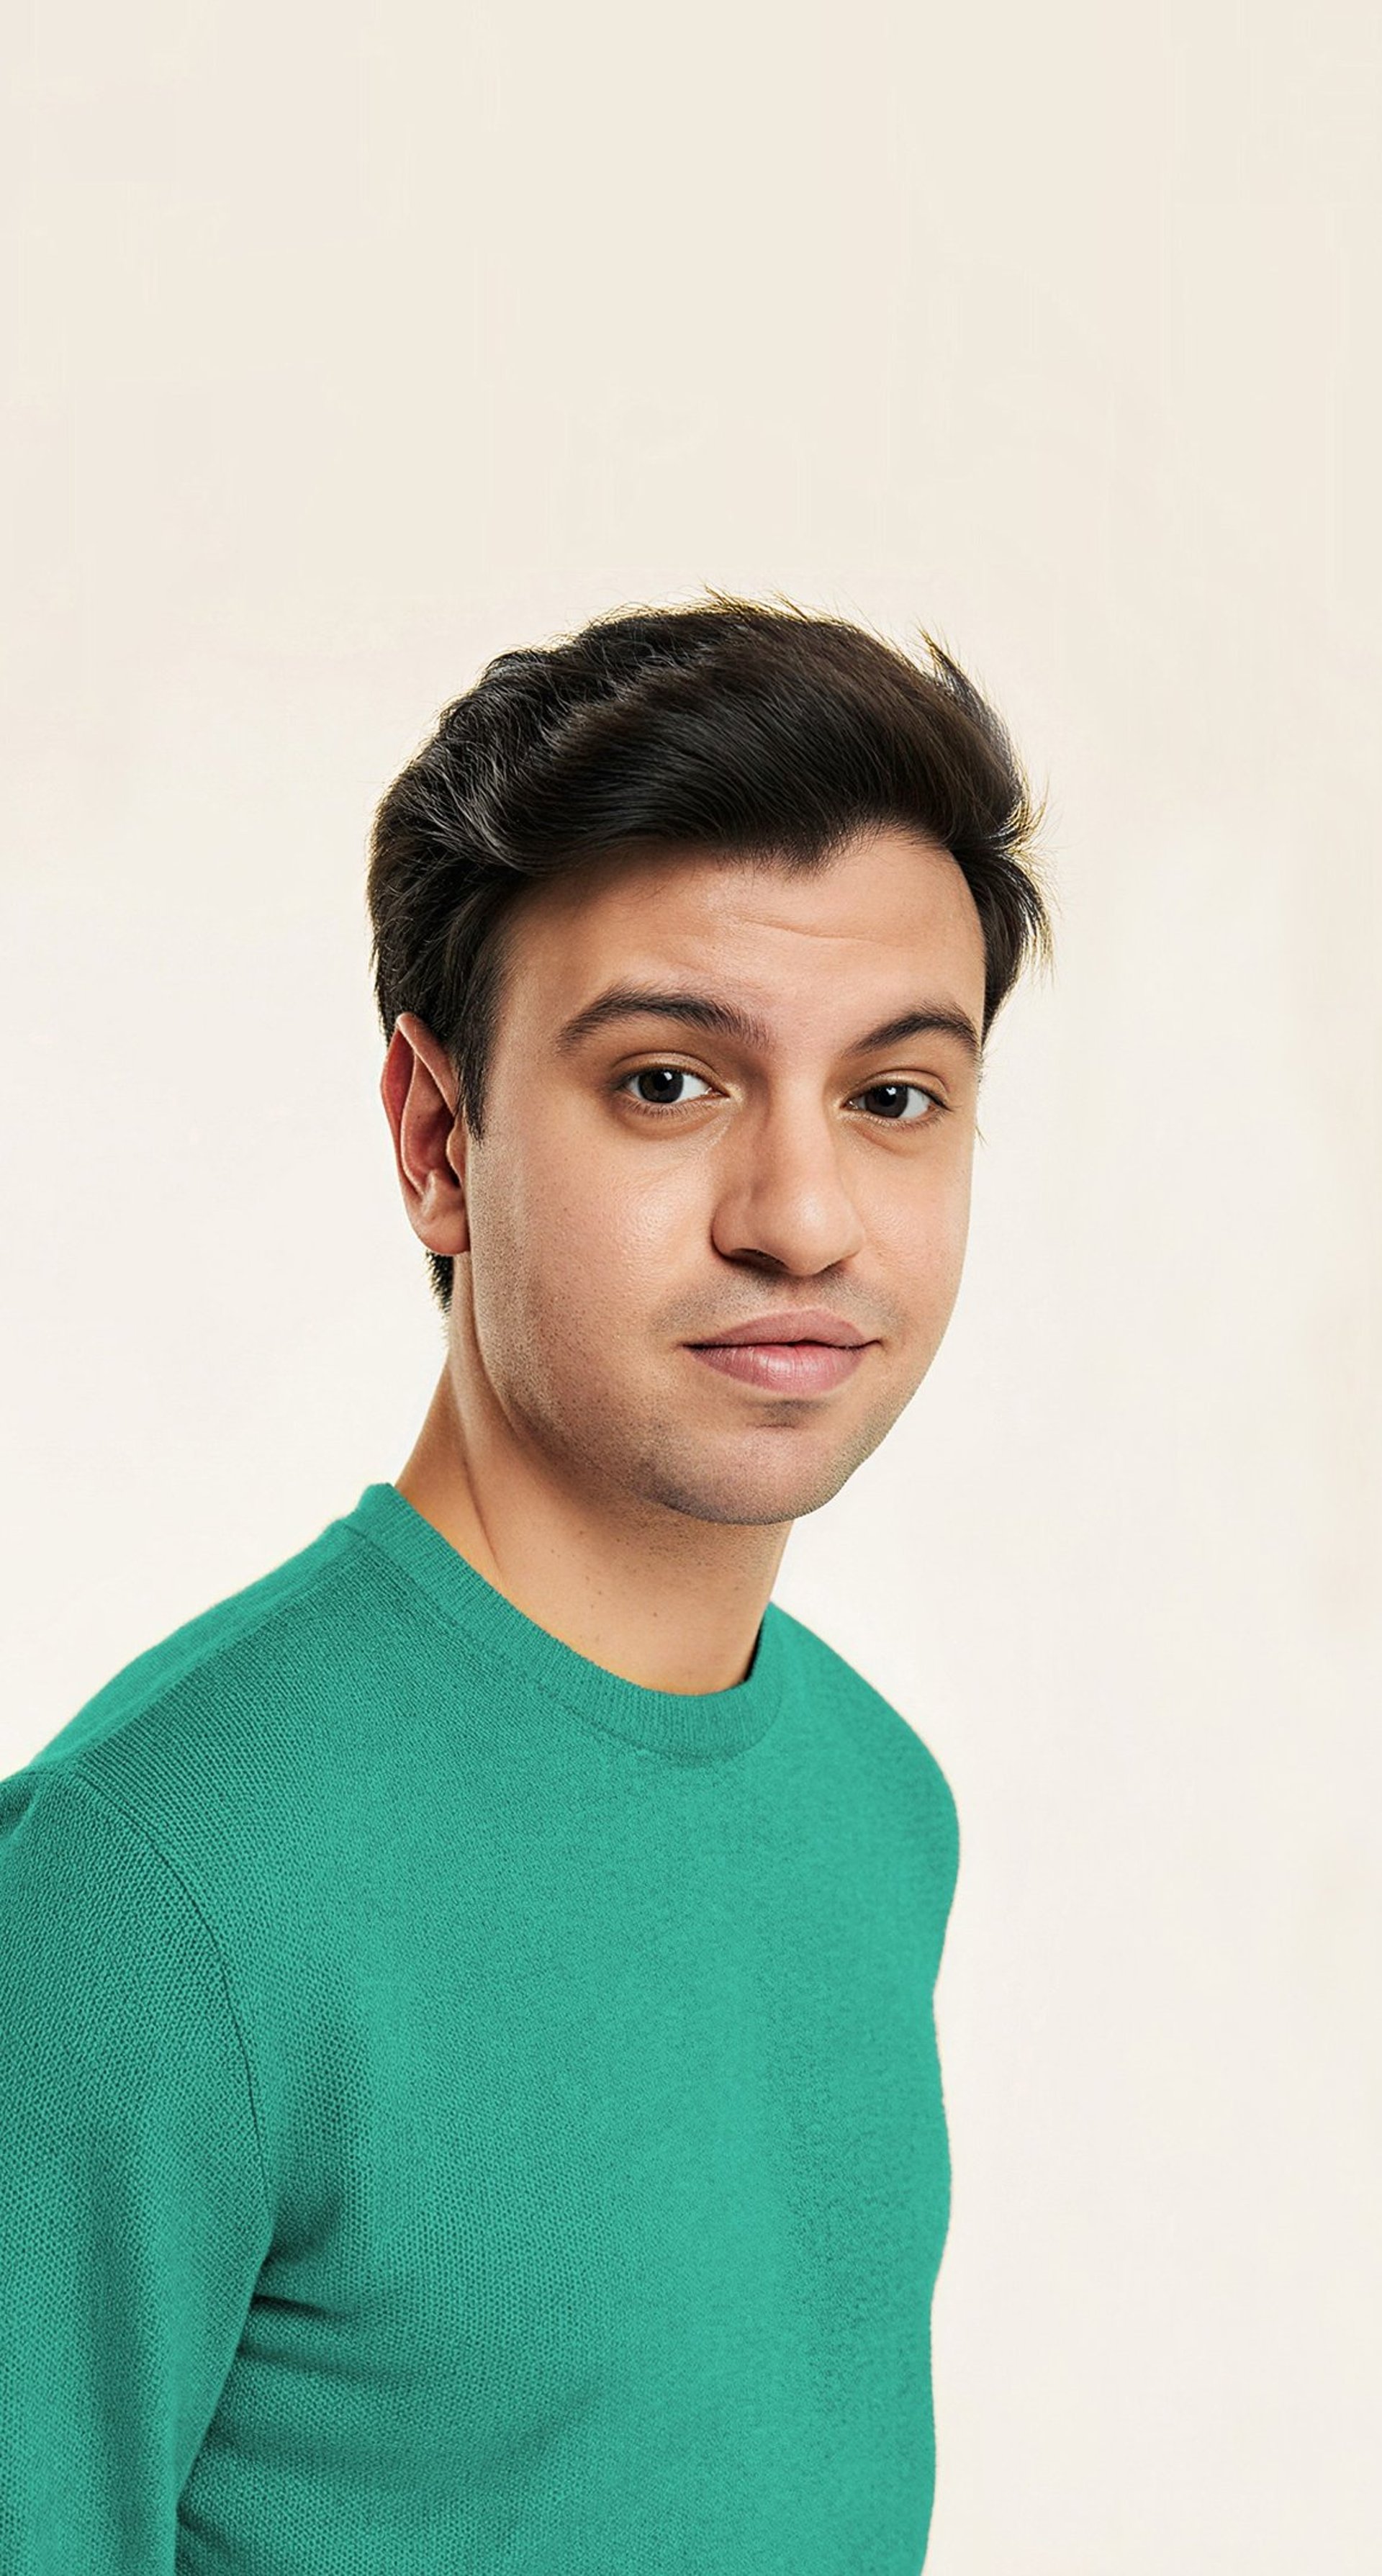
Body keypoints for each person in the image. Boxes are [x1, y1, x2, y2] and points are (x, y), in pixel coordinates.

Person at [0, 593, 1052, 2572]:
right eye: (668, 1081)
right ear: (433, 1132)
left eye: (893, 1096)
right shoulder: (141, 1890)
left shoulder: (877, 1801)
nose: (802, 1215)